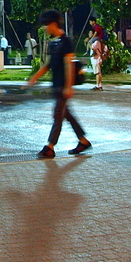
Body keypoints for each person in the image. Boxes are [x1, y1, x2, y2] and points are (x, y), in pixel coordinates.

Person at [27, 9, 92, 159]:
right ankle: (83, 141)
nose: (44, 28)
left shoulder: (66, 42)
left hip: (63, 86)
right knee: (67, 115)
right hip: (56, 85)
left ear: (53, 24)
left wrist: (69, 87)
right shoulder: (53, 42)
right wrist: (34, 77)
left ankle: (50, 147)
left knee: (58, 116)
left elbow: (69, 65)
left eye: (46, 24)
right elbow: (49, 64)